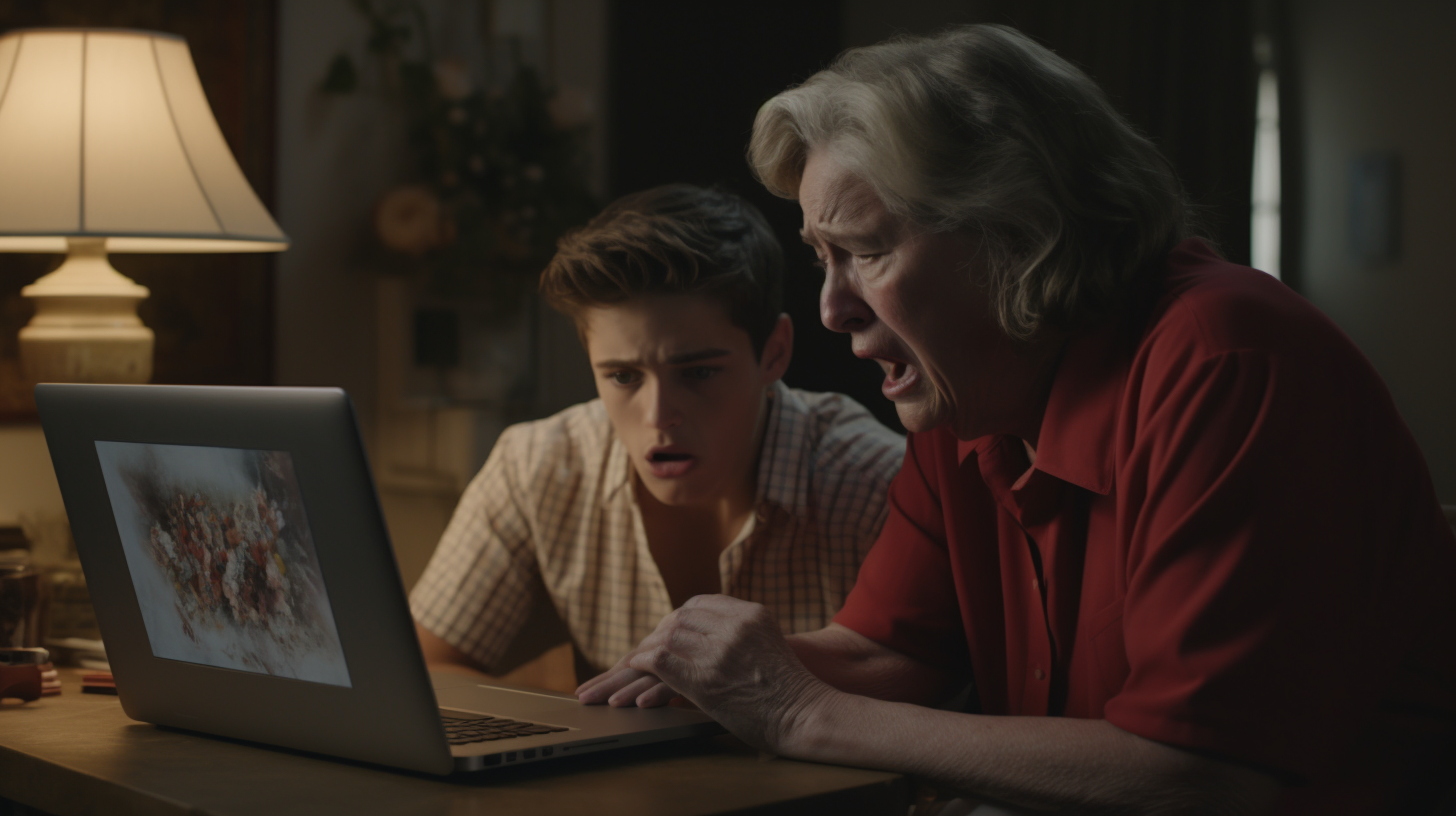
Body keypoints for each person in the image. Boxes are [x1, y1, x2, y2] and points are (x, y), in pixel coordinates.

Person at [575, 25, 1456, 815]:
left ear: (1020, 232)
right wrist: (702, 681)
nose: (832, 309)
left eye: (867, 251)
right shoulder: (967, 394)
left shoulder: (1228, 358)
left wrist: (805, 711)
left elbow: (1202, 777)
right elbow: (891, 655)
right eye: (821, 258)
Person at [410, 183, 905, 680]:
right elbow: (430, 666)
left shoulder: (875, 487)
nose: (658, 415)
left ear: (774, 352)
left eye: (698, 373)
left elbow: (932, 697)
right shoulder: (536, 466)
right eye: (623, 376)